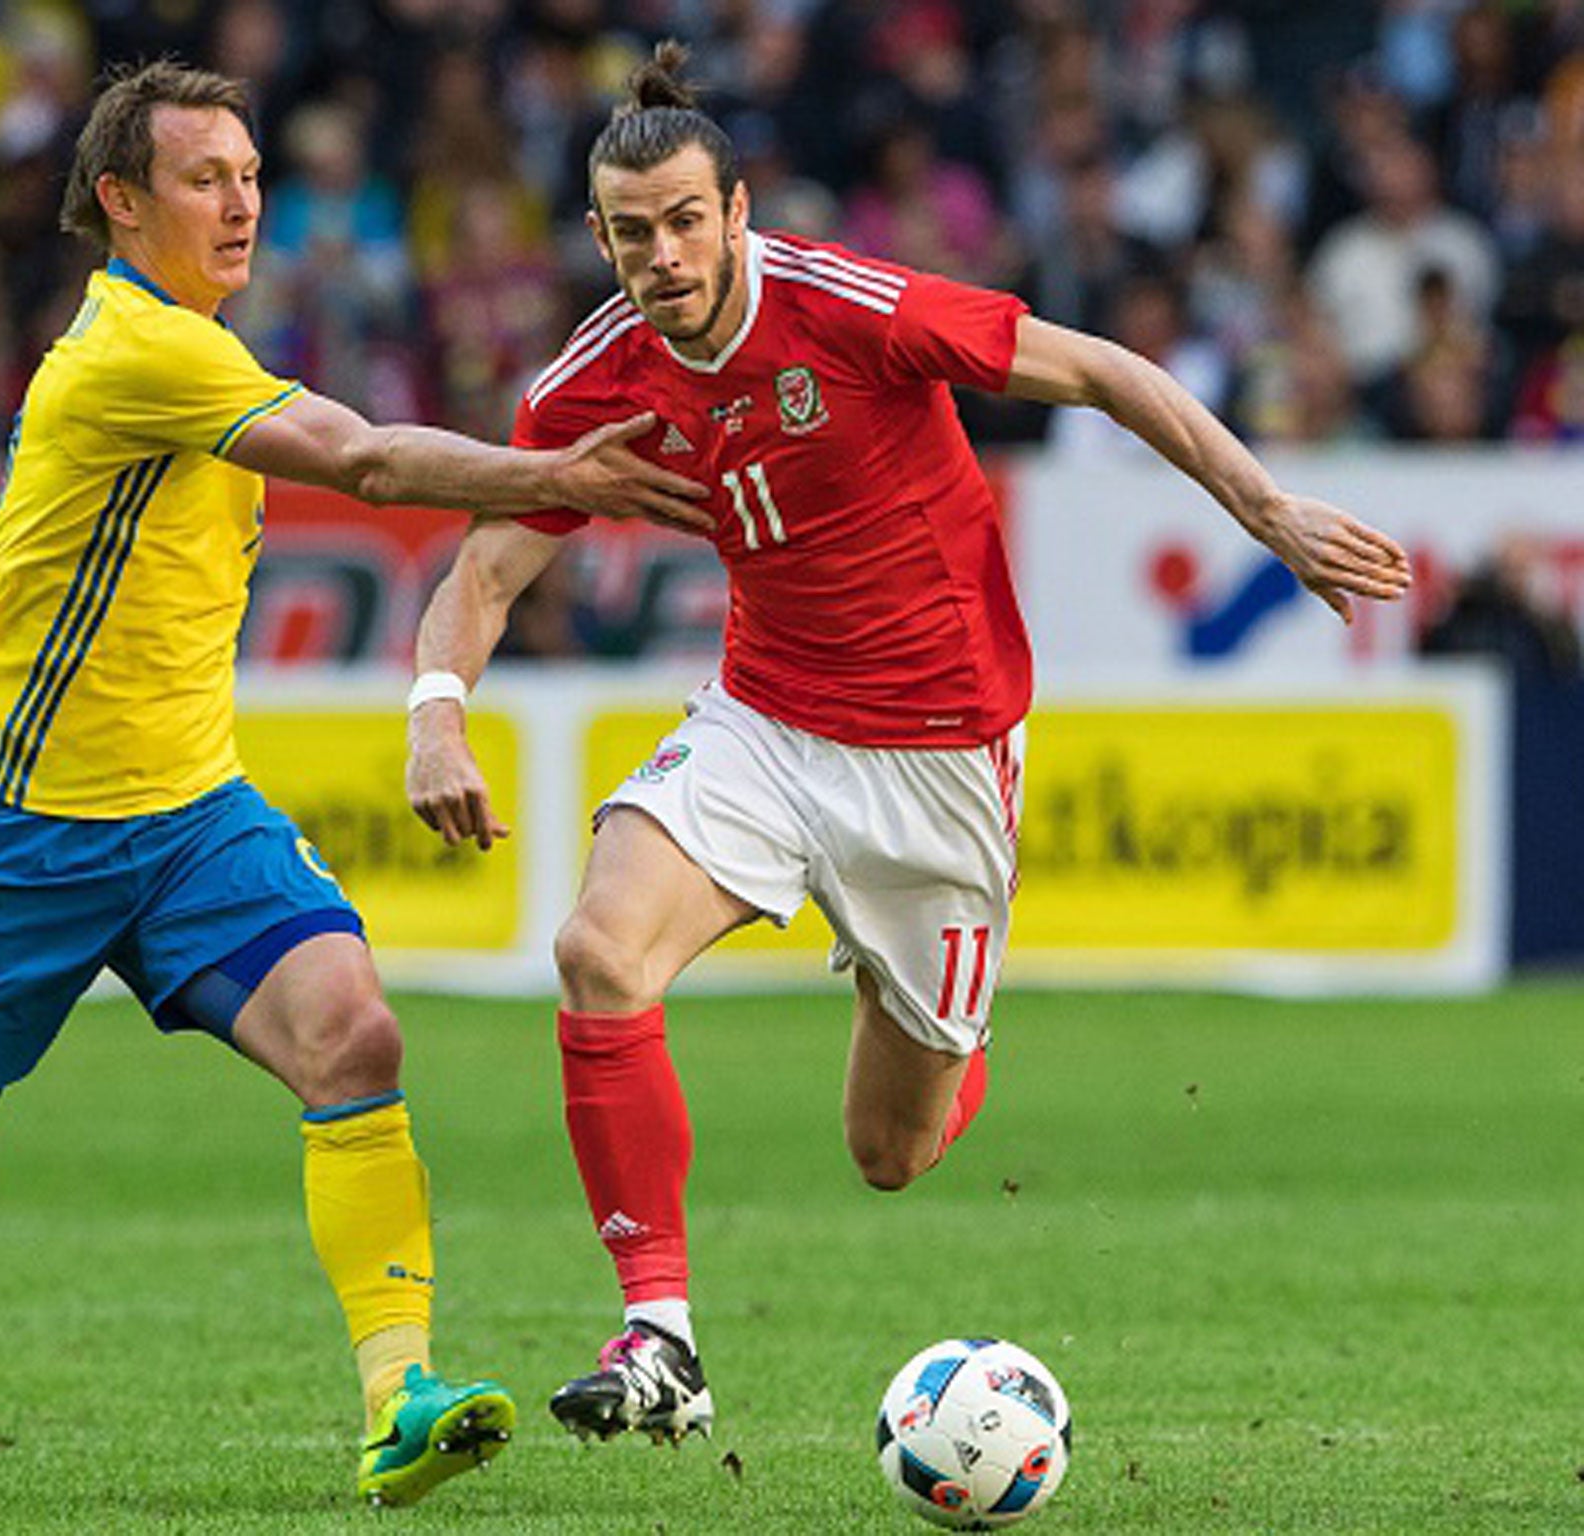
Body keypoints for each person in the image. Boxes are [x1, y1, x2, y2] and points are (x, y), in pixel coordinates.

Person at [0, 59, 706, 1510]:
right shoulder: (133, 353)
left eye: (253, 175)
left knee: (355, 1037)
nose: (244, 202)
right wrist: (553, 478)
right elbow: (371, 460)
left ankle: (400, 1399)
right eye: (208, 179)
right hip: (16, 833)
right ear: (118, 202)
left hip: (190, 817)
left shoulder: (204, 347)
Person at [404, 42, 1411, 1446]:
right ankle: (662, 1335)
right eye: (632, 233)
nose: (663, 254)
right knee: (595, 953)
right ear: (601, 236)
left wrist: (1268, 510)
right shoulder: (600, 378)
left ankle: (945, 1003)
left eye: (688, 221)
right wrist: (435, 715)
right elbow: (485, 571)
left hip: (940, 755)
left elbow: (1105, 371)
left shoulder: (854, 309)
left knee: (892, 1152)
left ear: (739, 211)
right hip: (760, 719)